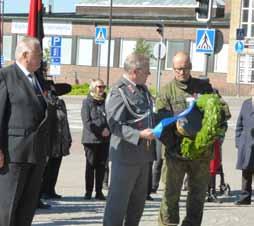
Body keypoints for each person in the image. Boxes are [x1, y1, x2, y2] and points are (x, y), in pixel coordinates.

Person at [156, 51, 215, 226]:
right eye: (177, 69)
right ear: (173, 69)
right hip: (175, 154)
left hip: (200, 155)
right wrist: (176, 146)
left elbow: (217, 113)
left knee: (197, 196)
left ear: (190, 67)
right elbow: (161, 125)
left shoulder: (204, 88)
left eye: (185, 68)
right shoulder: (166, 91)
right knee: (170, 196)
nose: (182, 72)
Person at [0, 36, 50, 226]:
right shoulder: (6, 76)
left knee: (27, 208)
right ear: (25, 55)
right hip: (14, 155)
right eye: (38, 55)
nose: (41, 59)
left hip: (36, 154)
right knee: (8, 208)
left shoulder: (36, 79)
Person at [103, 53, 155, 226]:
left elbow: (148, 116)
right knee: (117, 207)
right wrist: (139, 135)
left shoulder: (143, 90)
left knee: (137, 207)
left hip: (143, 157)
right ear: (135, 71)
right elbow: (115, 125)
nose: (149, 74)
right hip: (125, 158)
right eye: (146, 71)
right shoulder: (119, 92)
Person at [81, 79, 110, 200]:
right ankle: (88, 191)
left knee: (101, 166)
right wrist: (100, 131)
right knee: (91, 165)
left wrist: (108, 129)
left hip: (104, 140)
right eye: (99, 87)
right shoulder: (87, 102)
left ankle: (99, 191)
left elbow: (112, 117)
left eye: (103, 87)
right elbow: (87, 121)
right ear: (93, 88)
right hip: (91, 139)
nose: (102, 89)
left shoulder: (106, 102)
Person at [235, 90, 254, 205]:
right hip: (246, 143)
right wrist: (238, 141)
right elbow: (239, 123)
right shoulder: (246, 103)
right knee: (246, 170)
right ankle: (245, 197)